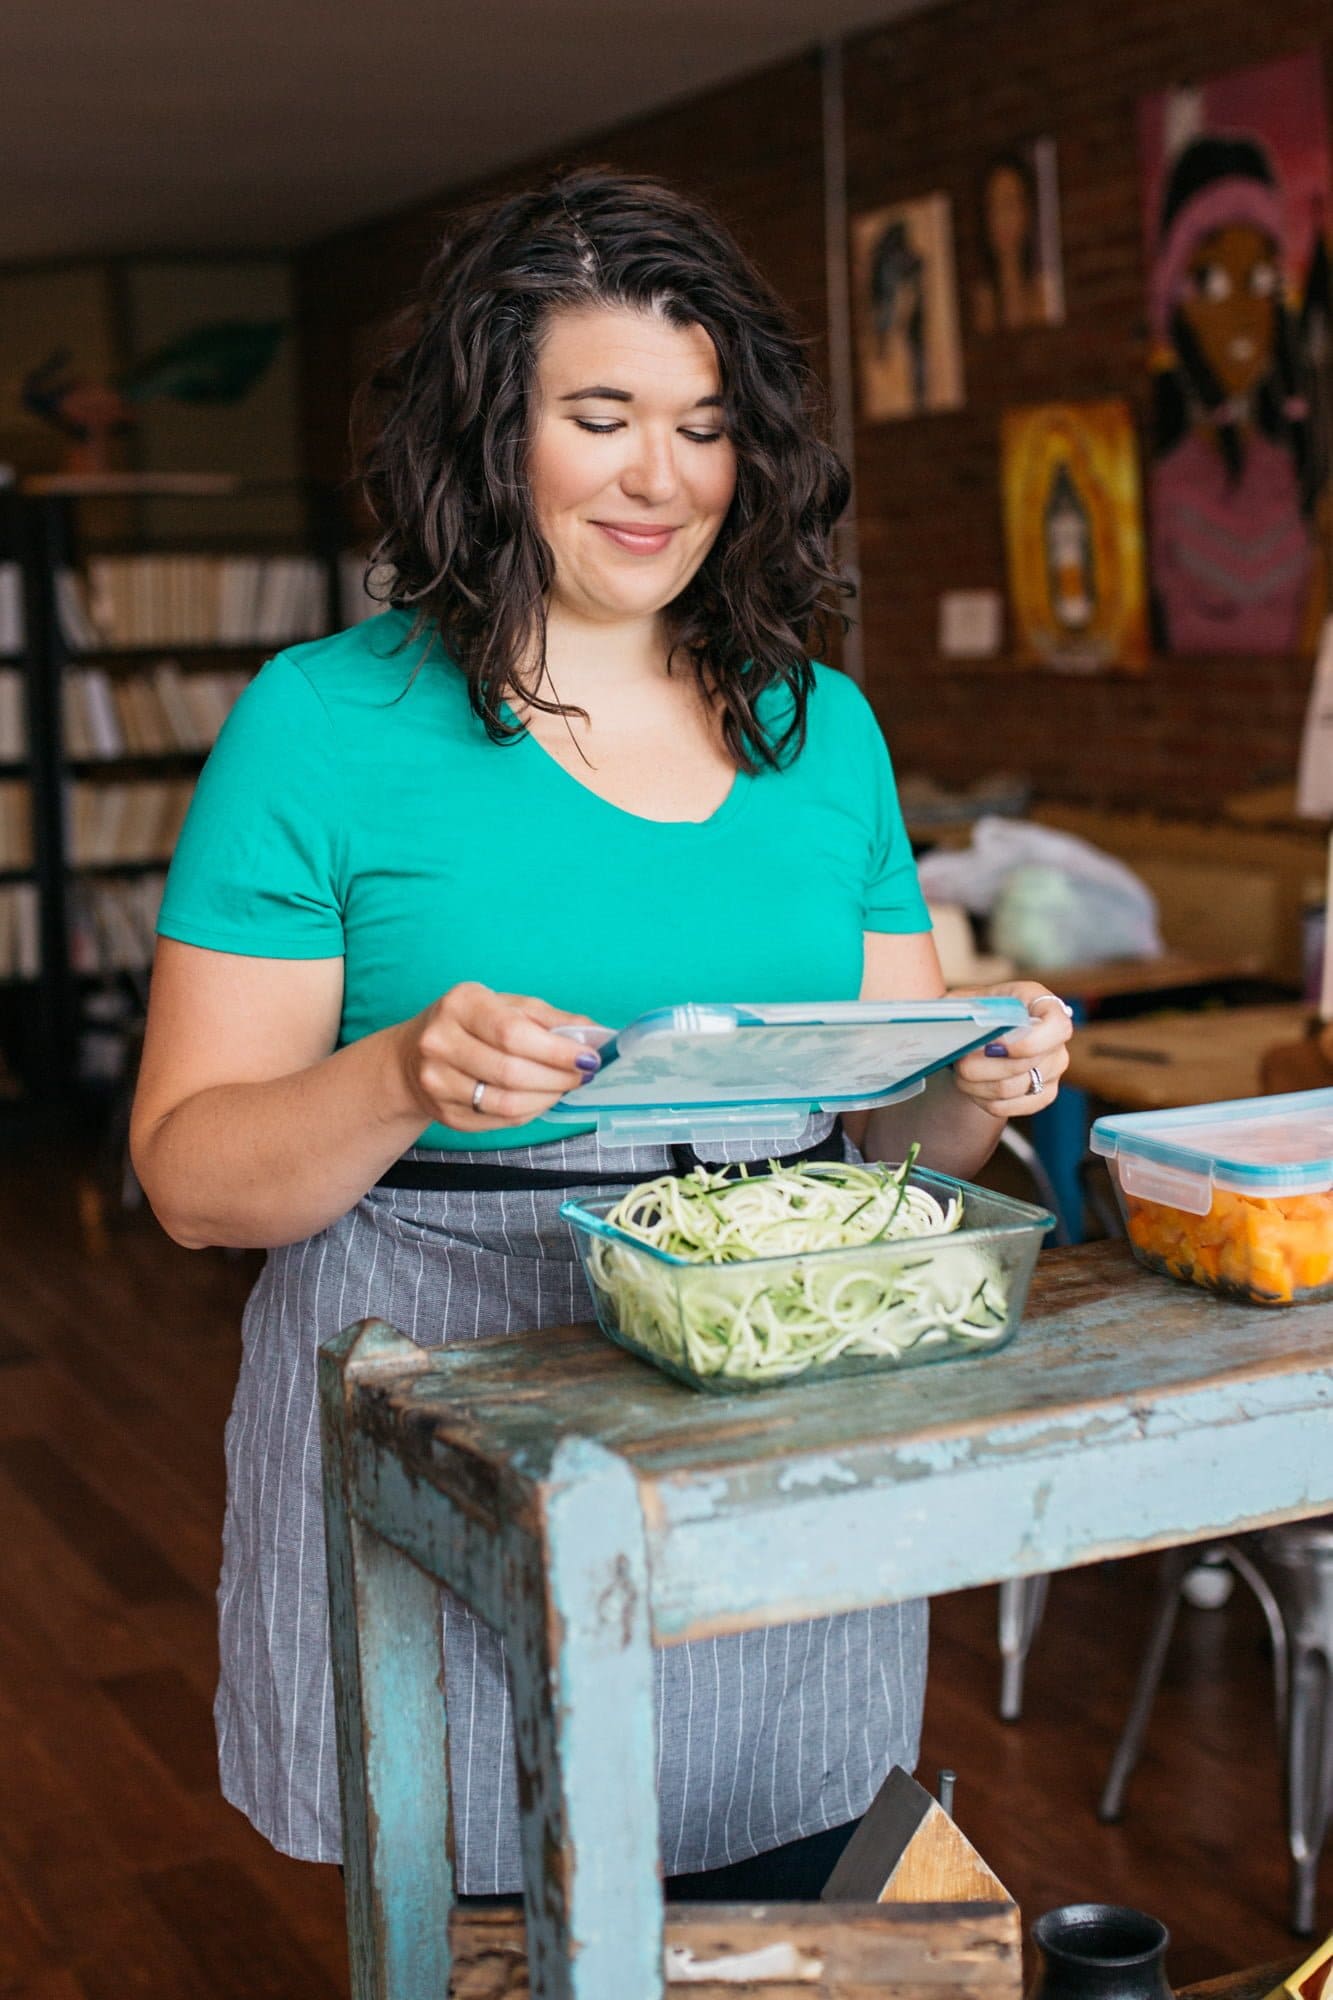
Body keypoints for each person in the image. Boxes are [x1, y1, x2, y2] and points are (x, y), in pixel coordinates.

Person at [129, 169, 1072, 1902]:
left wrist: (971, 1078)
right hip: (450, 1417)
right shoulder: (322, 727)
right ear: (492, 433)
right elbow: (191, 1179)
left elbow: (896, 1148)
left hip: (778, 1428)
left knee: (796, 1899)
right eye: (601, 416)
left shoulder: (821, 727)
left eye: (705, 426)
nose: (662, 478)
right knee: (493, 1914)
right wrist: (396, 1069)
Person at [1148, 133, 1325, 654]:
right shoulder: (1168, 483)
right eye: (1213, 282)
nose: (1245, 313)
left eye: (1261, 279)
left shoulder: (1291, 476)